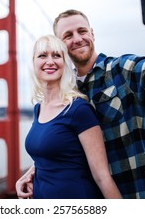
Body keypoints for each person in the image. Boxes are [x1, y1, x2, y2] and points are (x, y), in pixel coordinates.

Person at [17, 0, 145, 199]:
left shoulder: (122, 71)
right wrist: (36, 169)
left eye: (82, 31)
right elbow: (62, 145)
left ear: (92, 34)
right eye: (67, 35)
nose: (77, 38)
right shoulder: (63, 92)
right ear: (60, 45)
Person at [24, 34, 122, 199]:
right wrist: (27, 176)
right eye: (42, 55)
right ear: (34, 63)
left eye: (57, 55)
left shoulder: (78, 110)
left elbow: (102, 176)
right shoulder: (38, 109)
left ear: (64, 64)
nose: (50, 61)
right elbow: (49, 157)